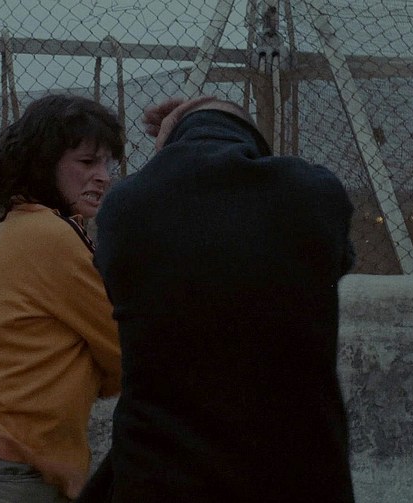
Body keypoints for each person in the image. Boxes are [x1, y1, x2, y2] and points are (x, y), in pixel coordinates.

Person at [77, 96, 356, 502]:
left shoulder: (126, 207)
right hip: (296, 477)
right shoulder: (313, 194)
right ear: (251, 141)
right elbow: (335, 260)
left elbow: (121, 283)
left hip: (159, 478)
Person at [0, 94, 124, 503]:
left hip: (0, 467)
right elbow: (121, 346)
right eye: (86, 162)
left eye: (107, 164)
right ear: (45, 163)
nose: (102, 177)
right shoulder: (51, 237)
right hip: (13, 475)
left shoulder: (7, 232)